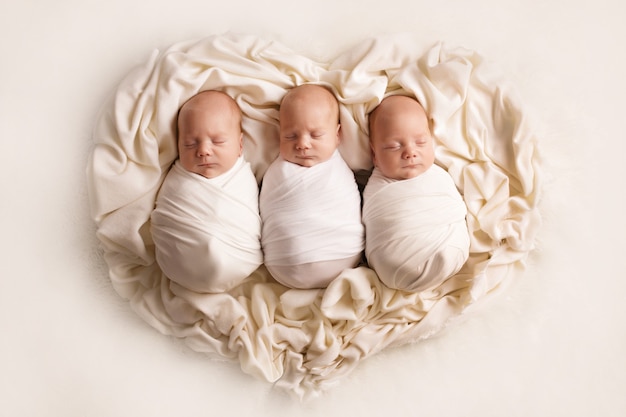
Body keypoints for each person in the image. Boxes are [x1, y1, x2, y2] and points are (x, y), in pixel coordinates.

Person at [150, 90, 262, 293]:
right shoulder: (178, 177)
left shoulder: (243, 178)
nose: (203, 151)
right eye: (190, 144)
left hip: (238, 259)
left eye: (217, 141)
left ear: (240, 145)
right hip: (176, 263)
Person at [259, 84, 364, 289]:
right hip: (284, 263)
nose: (303, 144)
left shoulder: (342, 167)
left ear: (337, 135)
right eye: (290, 136)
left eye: (315, 135)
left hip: (343, 254)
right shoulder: (275, 172)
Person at [362, 95, 470, 292]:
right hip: (394, 264)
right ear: (374, 154)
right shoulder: (375, 189)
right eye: (394, 146)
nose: (410, 152)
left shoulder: (440, 174)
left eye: (420, 142)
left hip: (451, 249)